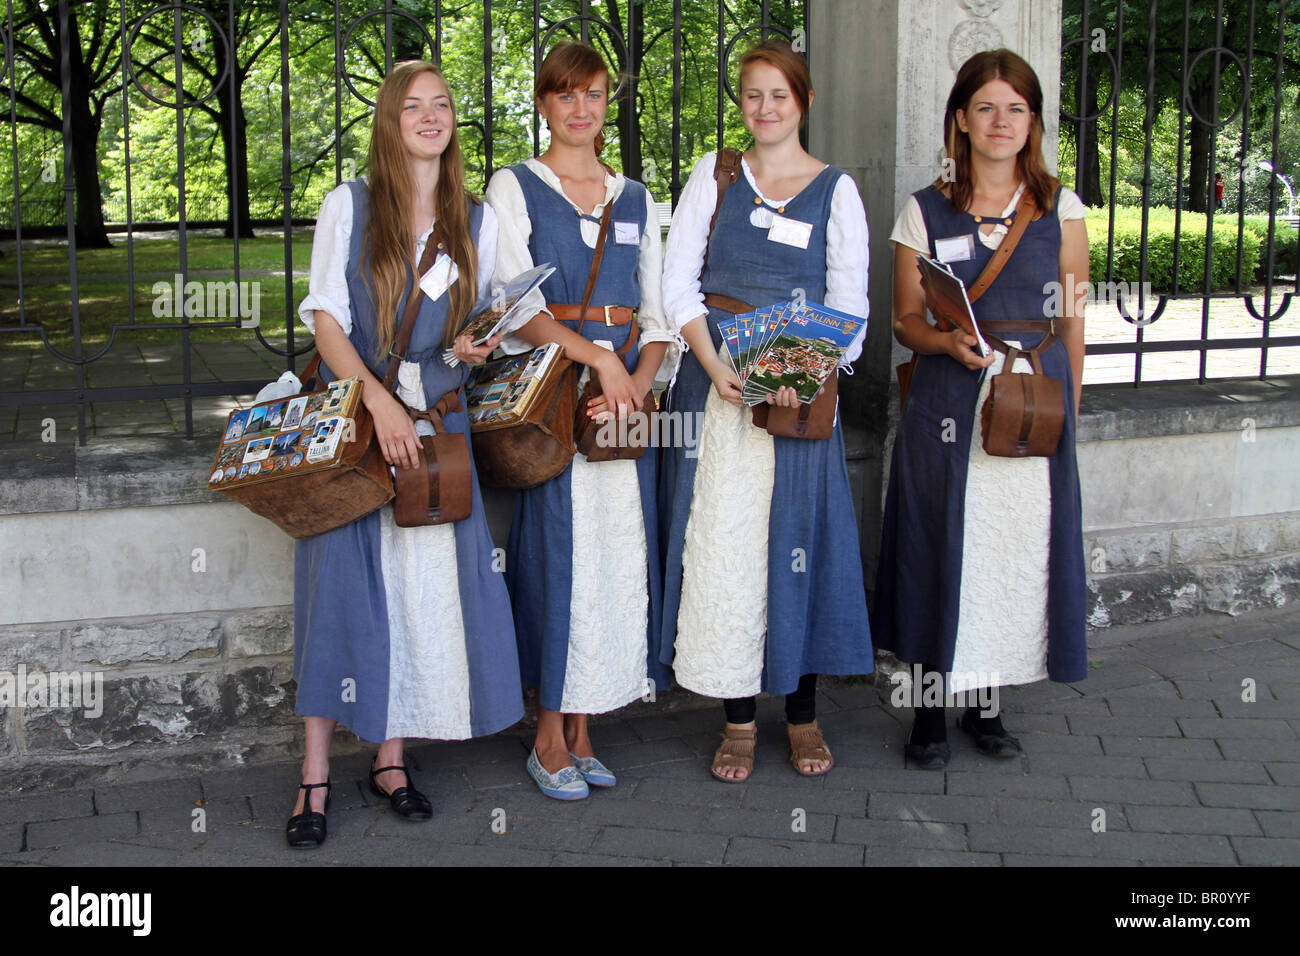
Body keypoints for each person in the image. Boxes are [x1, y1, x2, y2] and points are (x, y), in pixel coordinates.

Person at [288, 60, 523, 846]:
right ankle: (314, 777)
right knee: (341, 593)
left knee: (415, 594)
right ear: (390, 121)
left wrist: (470, 346)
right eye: (413, 106)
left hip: (436, 427)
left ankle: (390, 761)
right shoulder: (348, 205)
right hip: (357, 423)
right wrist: (381, 401)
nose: (431, 117)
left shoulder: (478, 219)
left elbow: (487, 332)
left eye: (443, 105)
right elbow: (324, 320)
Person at [660, 39, 872, 783]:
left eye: (779, 95)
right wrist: (716, 367)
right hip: (717, 394)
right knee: (729, 553)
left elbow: (851, 304)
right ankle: (738, 720)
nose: (765, 108)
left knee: (799, 547)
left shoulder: (835, 190)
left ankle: (804, 715)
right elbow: (676, 283)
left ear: (804, 102)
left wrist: (805, 374)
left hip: (800, 401)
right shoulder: (715, 177)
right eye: (752, 94)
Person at [873, 48, 1089, 770]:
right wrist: (945, 340)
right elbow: (903, 320)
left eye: (1016, 108)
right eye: (987, 107)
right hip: (949, 401)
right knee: (942, 543)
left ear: (1033, 121)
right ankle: (930, 709)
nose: (1001, 122)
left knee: (1010, 549)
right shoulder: (924, 208)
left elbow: (1072, 319)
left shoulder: (1063, 207)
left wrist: (1071, 410)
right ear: (961, 119)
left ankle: (987, 705)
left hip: (1030, 400)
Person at [485, 42, 679, 800]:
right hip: (553, 395)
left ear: (609, 103)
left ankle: (588, 725)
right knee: (557, 559)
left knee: (615, 556)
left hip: (621, 398)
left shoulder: (634, 196)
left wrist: (631, 377)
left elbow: (658, 310)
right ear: (543, 102)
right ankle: (546, 732)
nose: (581, 108)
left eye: (595, 95)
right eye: (566, 95)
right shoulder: (516, 186)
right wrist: (596, 362)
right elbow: (515, 304)